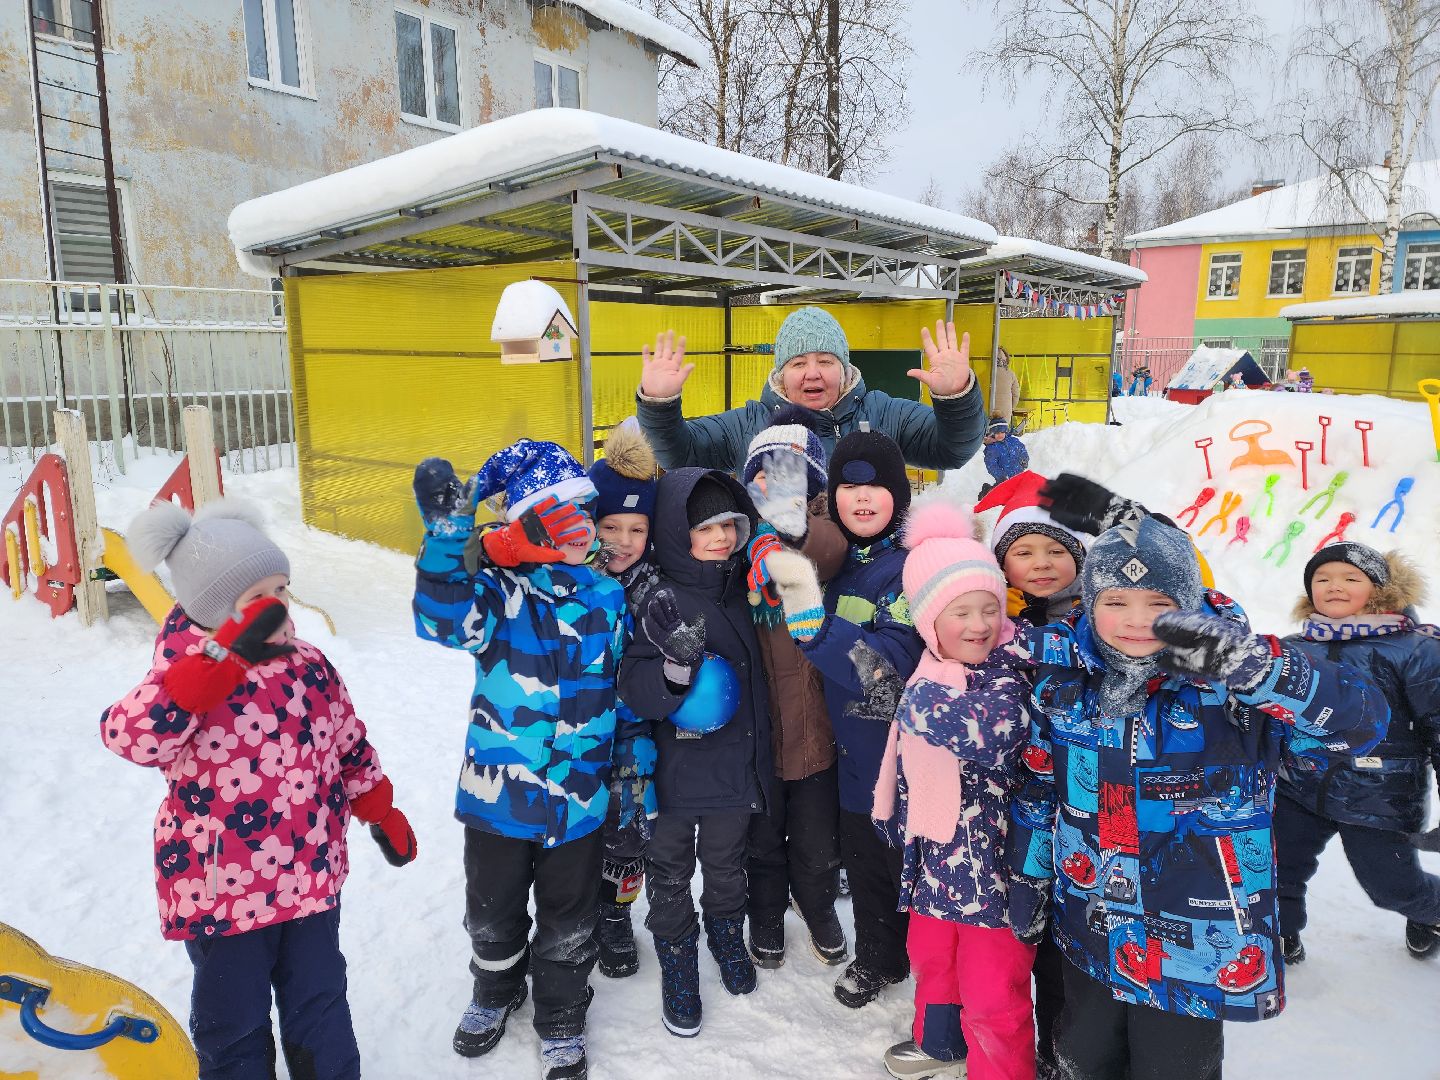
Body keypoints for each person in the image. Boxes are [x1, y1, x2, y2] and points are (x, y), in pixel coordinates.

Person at [1007, 517, 1388, 1080]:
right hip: (1091, 918)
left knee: (1172, 1067)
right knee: (1081, 1058)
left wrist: (1258, 669)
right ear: (1089, 603)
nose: (1137, 620)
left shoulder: (1234, 688)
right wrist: (1029, 879)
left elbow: (1360, 726)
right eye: (1116, 600)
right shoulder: (1063, 681)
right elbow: (1039, 792)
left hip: (1196, 940)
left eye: (1159, 601)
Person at [101, 500, 416, 1080]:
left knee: (320, 1004)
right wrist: (207, 673)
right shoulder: (182, 675)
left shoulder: (308, 664)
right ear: (214, 608)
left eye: (284, 588)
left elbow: (346, 741)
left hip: (311, 876)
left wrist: (379, 805)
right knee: (233, 1022)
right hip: (224, 889)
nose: (280, 606)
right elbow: (129, 737)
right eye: (259, 597)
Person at [412, 439, 631, 1080]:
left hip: (580, 798)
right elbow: (440, 620)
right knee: (491, 909)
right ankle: (494, 988)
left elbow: (623, 695)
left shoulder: (606, 599)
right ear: (527, 526)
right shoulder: (498, 597)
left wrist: (630, 773)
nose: (577, 530)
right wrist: (450, 540)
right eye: (558, 517)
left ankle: (561, 1015)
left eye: (581, 517)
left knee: (571, 916)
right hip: (498, 799)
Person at [871, 494, 1038, 1080]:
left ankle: (1001, 1071)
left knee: (994, 988)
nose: (979, 625)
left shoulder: (1011, 666)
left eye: (988, 609)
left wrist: (916, 702)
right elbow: (904, 758)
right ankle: (938, 1042)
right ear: (928, 620)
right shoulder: (930, 667)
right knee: (932, 960)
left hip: (994, 870)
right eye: (960, 612)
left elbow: (991, 734)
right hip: (936, 859)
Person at [760, 430, 923, 1009]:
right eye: (849, 485)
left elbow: (889, 671)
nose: (862, 497)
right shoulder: (838, 562)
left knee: (907, 867)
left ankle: (936, 973)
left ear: (898, 496)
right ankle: (879, 958)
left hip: (902, 761)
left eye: (876, 485)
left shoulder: (909, 570)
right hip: (850, 757)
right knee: (867, 867)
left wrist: (818, 629)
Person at [618, 468, 775, 1038]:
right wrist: (674, 667)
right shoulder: (659, 601)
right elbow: (634, 687)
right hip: (676, 776)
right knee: (668, 871)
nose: (721, 537)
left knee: (727, 865)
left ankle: (727, 937)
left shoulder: (743, 590)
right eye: (704, 527)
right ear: (674, 531)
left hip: (733, 771)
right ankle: (678, 962)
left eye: (729, 524)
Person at [1274, 543, 1440, 961]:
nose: (1334, 587)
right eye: (1322, 579)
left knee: (1391, 886)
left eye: (1351, 578)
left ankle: (1430, 911)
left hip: (1379, 795)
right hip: (1300, 785)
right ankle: (1280, 933)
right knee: (1277, 867)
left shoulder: (1416, 649)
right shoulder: (1294, 647)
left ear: (1381, 588)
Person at [740, 407, 850, 970]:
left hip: (816, 736)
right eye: (766, 475)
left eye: (793, 476)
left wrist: (786, 535)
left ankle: (818, 907)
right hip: (760, 738)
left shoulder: (827, 536)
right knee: (763, 843)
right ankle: (764, 916)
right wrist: (756, 541)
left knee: (816, 844)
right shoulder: (740, 547)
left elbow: (827, 548)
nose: (777, 487)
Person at [634, 306, 985, 475]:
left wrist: (956, 398)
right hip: (776, 588)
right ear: (781, 373)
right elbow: (679, 454)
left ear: (845, 367)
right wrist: (659, 406)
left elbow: (952, 449)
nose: (812, 374)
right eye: (798, 363)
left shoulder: (882, 413)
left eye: (826, 361)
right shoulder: (750, 424)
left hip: (869, 584)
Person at [586, 423, 663, 979]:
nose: (624, 540)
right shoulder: (572, 582)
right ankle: (570, 911)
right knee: (574, 828)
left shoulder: (655, 584)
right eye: (610, 525)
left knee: (628, 829)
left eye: (637, 528)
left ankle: (615, 917)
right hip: (575, 727)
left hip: (634, 732)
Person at [976, 471, 1091, 628]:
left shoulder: (1098, 616)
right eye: (1024, 553)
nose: (1042, 564)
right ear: (1003, 568)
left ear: (1078, 561)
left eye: (1056, 552)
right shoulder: (987, 620)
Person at [991, 346, 1023, 427]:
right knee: (1002, 433)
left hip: (988, 409)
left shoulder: (985, 373)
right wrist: (1011, 407)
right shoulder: (1011, 374)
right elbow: (1016, 394)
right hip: (1005, 410)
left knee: (989, 435)